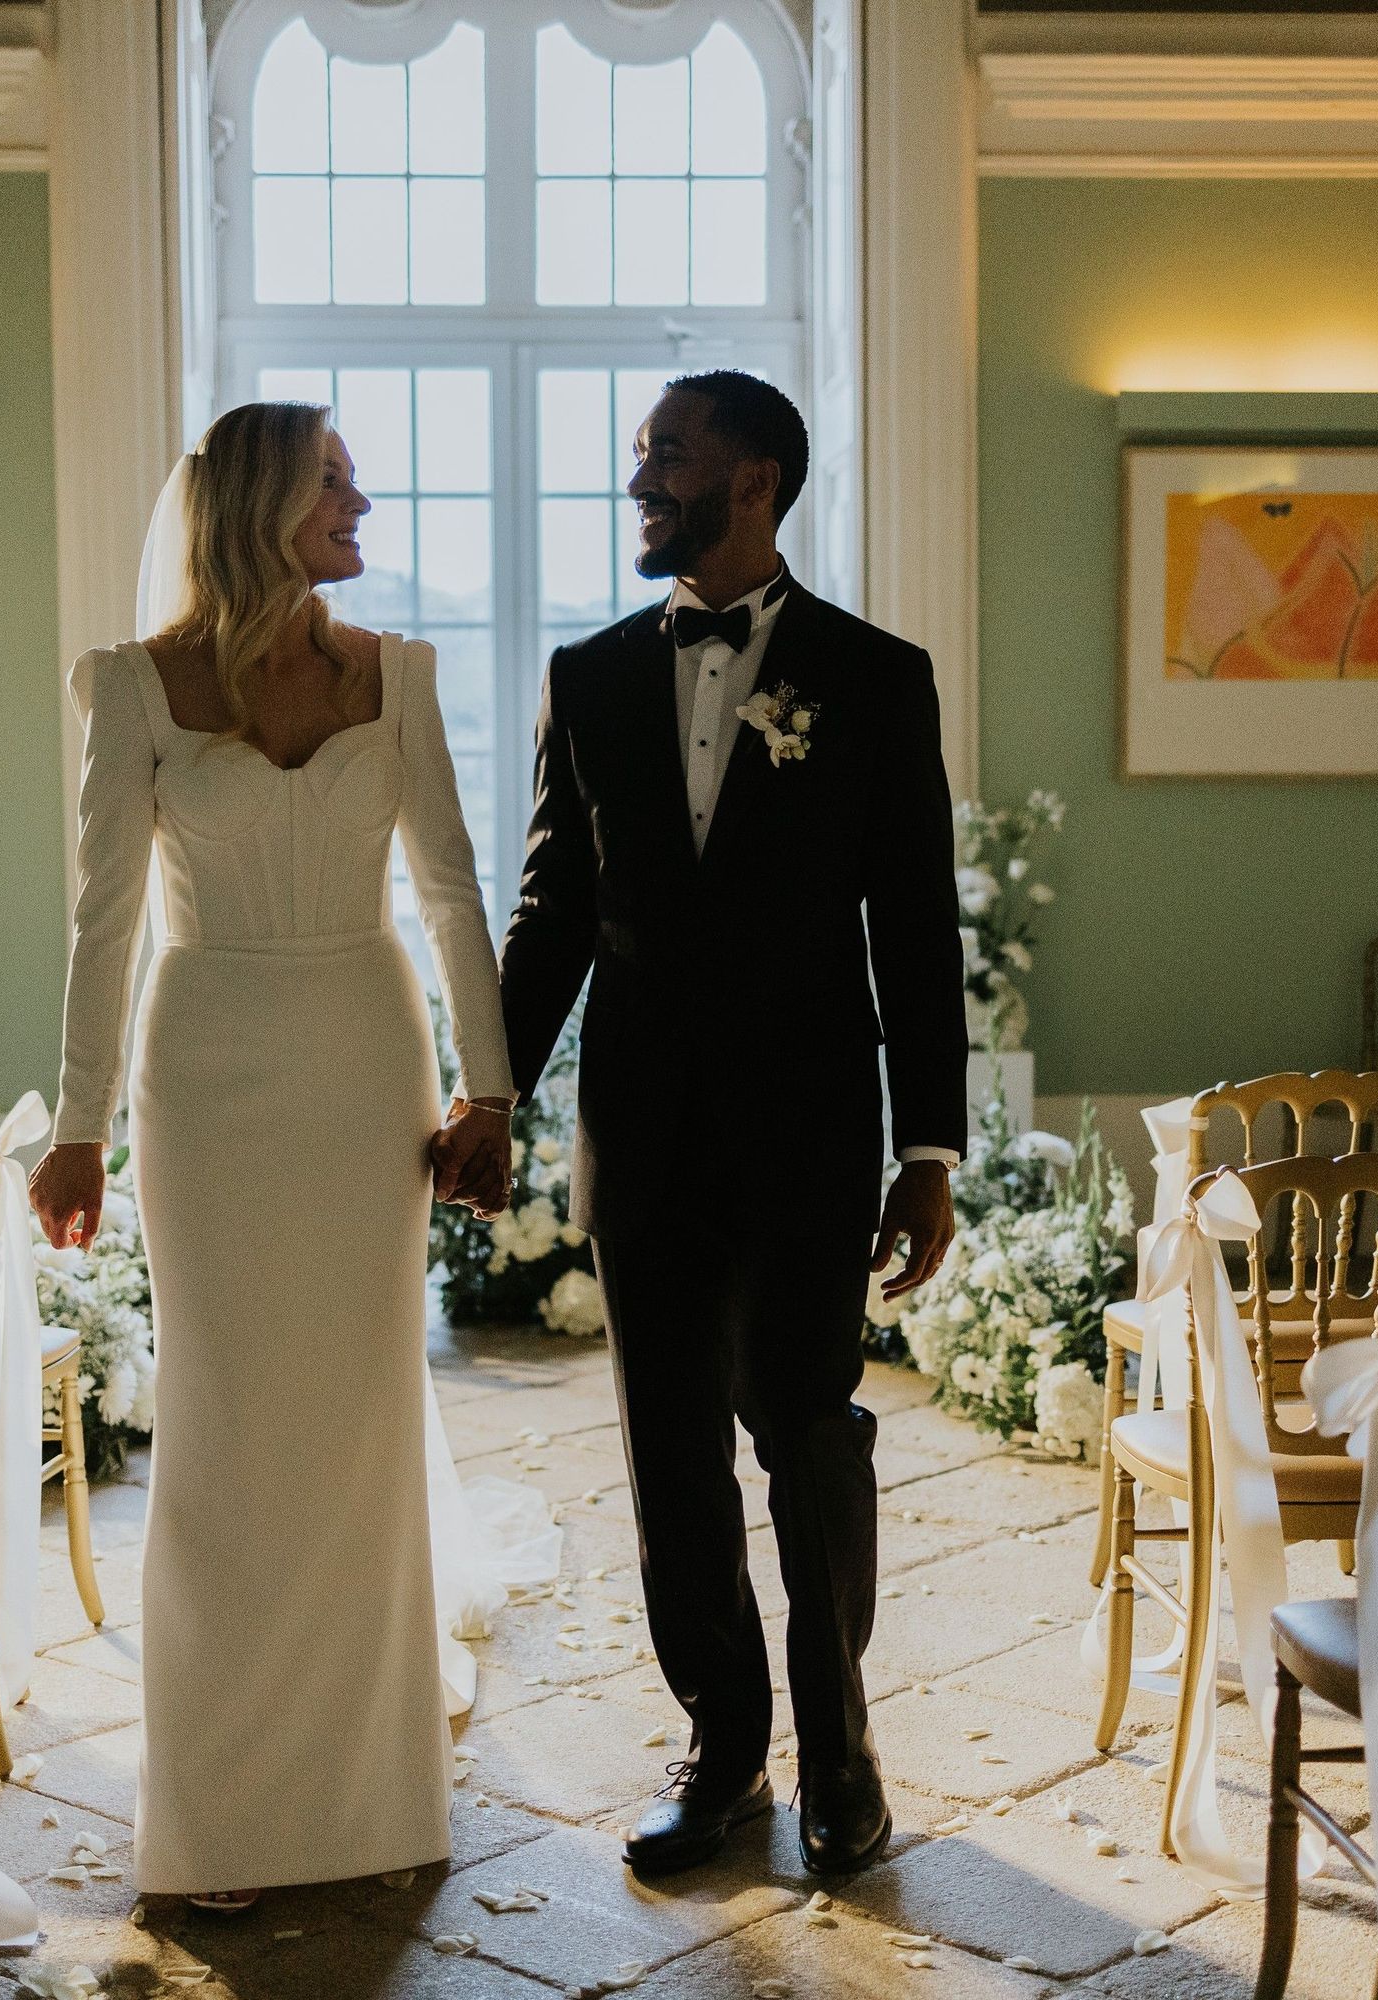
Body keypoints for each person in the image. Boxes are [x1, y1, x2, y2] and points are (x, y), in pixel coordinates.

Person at [32, 401, 552, 1914]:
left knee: (355, 1418)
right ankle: (222, 1816)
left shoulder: (399, 676)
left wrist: (492, 1091)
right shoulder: (130, 687)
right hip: (200, 1070)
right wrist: (77, 1129)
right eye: (335, 479)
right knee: (223, 1429)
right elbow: (101, 922)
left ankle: (370, 1796)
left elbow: (455, 893)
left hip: (358, 1056)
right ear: (264, 504)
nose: (363, 498)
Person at [485, 372, 966, 1879]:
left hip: (812, 1123)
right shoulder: (591, 673)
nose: (640, 479)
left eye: (665, 455)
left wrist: (930, 1151)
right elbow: (553, 908)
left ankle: (842, 1749)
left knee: (807, 1430)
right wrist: (488, 1095)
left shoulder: (877, 677)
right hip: (642, 1123)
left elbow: (916, 929)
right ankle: (724, 1751)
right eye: (639, 456)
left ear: (753, 478)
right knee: (668, 1448)